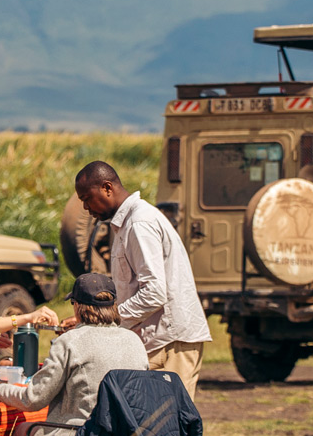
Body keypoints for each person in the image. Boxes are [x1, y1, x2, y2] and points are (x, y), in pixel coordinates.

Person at [72, 161, 212, 399]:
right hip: (157, 339)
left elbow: (155, 292)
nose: (86, 208)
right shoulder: (125, 225)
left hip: (169, 342)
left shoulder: (139, 224)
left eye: (87, 198)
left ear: (107, 187)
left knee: (167, 426)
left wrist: (106, 321)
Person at [0, 272, 147, 436]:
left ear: (77, 306)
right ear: (114, 306)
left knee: (20, 434)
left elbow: (33, 399)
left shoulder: (70, 342)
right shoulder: (134, 340)